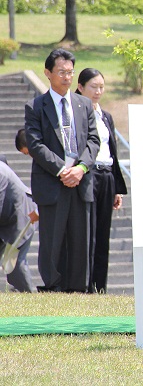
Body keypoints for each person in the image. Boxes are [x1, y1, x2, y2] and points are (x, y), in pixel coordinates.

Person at [24, 48, 100, 293]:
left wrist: (80, 168)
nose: (67, 77)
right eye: (61, 72)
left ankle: (78, 288)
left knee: (80, 239)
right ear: (47, 73)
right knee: (52, 240)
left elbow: (94, 141)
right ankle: (53, 285)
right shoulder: (36, 105)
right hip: (52, 182)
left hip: (80, 181)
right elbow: (35, 144)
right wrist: (62, 170)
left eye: (70, 72)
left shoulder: (84, 104)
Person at [76, 68, 127, 294]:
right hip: (88, 175)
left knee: (103, 234)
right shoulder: (76, 115)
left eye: (101, 87)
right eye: (93, 87)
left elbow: (113, 152)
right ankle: (84, 285)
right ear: (80, 88)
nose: (98, 92)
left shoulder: (106, 116)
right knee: (88, 234)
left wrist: (117, 186)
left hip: (106, 175)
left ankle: (99, 287)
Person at [0, 159, 38, 292]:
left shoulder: (0, 173)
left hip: (23, 215)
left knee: (16, 261)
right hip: (6, 217)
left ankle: (26, 295)